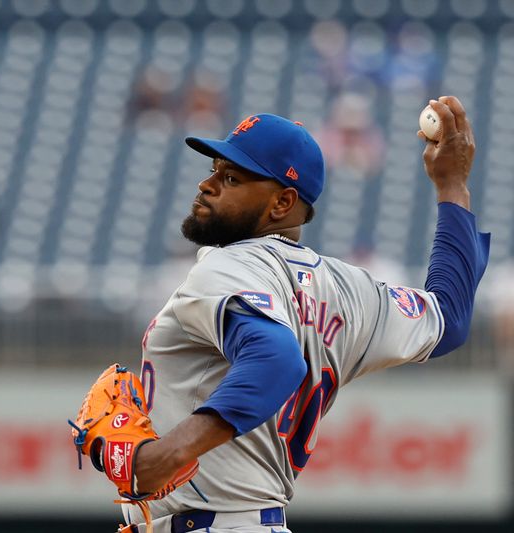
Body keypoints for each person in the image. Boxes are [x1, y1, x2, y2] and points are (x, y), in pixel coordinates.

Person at [120, 96, 488, 533]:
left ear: (282, 204)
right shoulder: (352, 289)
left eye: (232, 178)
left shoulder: (228, 266)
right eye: (214, 170)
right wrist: (452, 188)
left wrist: (169, 453)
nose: (208, 185)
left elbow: (275, 360)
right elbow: (449, 317)